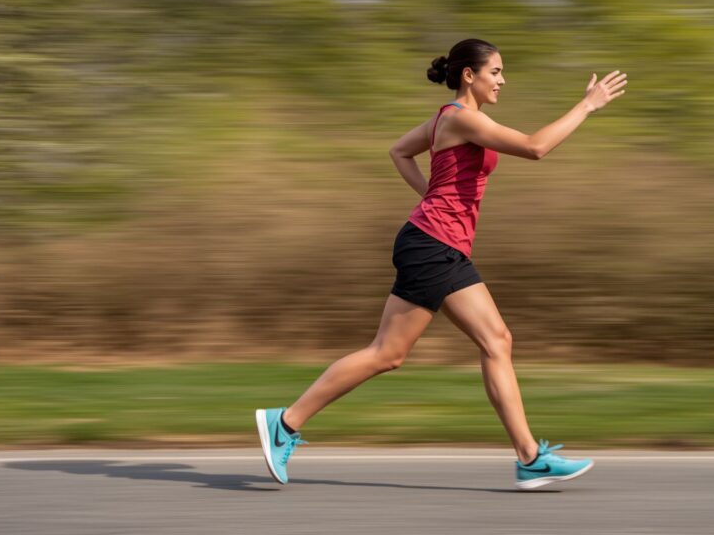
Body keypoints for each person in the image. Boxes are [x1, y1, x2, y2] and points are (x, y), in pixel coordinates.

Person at [256, 38, 627, 490]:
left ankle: (529, 457)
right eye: (496, 71)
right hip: (434, 245)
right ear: (469, 75)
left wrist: (432, 201)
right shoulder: (463, 120)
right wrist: (587, 106)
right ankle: (286, 423)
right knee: (393, 353)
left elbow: (398, 151)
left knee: (487, 342)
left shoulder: (445, 121)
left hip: (435, 243)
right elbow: (535, 147)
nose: (503, 80)